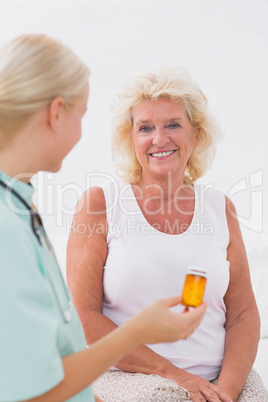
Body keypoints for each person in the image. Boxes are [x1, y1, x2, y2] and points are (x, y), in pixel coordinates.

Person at [0, 35, 208, 402]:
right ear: (56, 113)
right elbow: (33, 392)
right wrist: (137, 332)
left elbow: (55, 360)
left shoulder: (19, 206)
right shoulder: (7, 228)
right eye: (82, 114)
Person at [67, 67, 268, 401]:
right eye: (145, 128)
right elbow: (84, 317)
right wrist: (175, 376)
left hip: (221, 378)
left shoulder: (221, 208)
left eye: (173, 124)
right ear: (131, 139)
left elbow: (244, 314)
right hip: (131, 376)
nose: (159, 139)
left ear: (197, 134)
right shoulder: (101, 204)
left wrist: (228, 391)